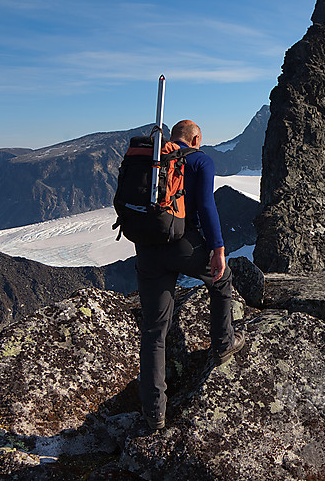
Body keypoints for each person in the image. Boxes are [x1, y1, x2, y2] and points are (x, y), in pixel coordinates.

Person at [134, 119, 245, 430]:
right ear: (195, 138)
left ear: (173, 139)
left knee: (154, 331)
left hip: (148, 247)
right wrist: (218, 249)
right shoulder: (199, 160)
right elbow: (207, 207)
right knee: (221, 281)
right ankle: (223, 344)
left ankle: (154, 412)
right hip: (185, 244)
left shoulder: (154, 160)